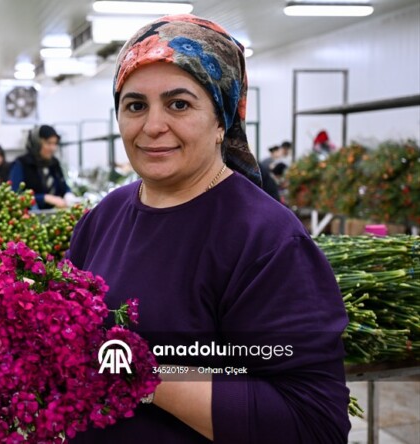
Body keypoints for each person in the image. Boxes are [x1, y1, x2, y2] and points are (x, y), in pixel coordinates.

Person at [67, 14, 350, 443]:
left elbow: (313, 423)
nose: (153, 126)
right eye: (135, 105)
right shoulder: (103, 216)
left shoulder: (266, 239)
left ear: (222, 122)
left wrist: (143, 370)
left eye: (179, 104)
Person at [9, 125, 72, 209]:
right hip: (30, 217)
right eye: (48, 143)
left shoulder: (54, 164)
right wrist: (44, 198)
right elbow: (15, 195)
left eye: (55, 143)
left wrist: (68, 194)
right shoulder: (22, 164)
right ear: (37, 144)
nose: (53, 148)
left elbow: (63, 186)